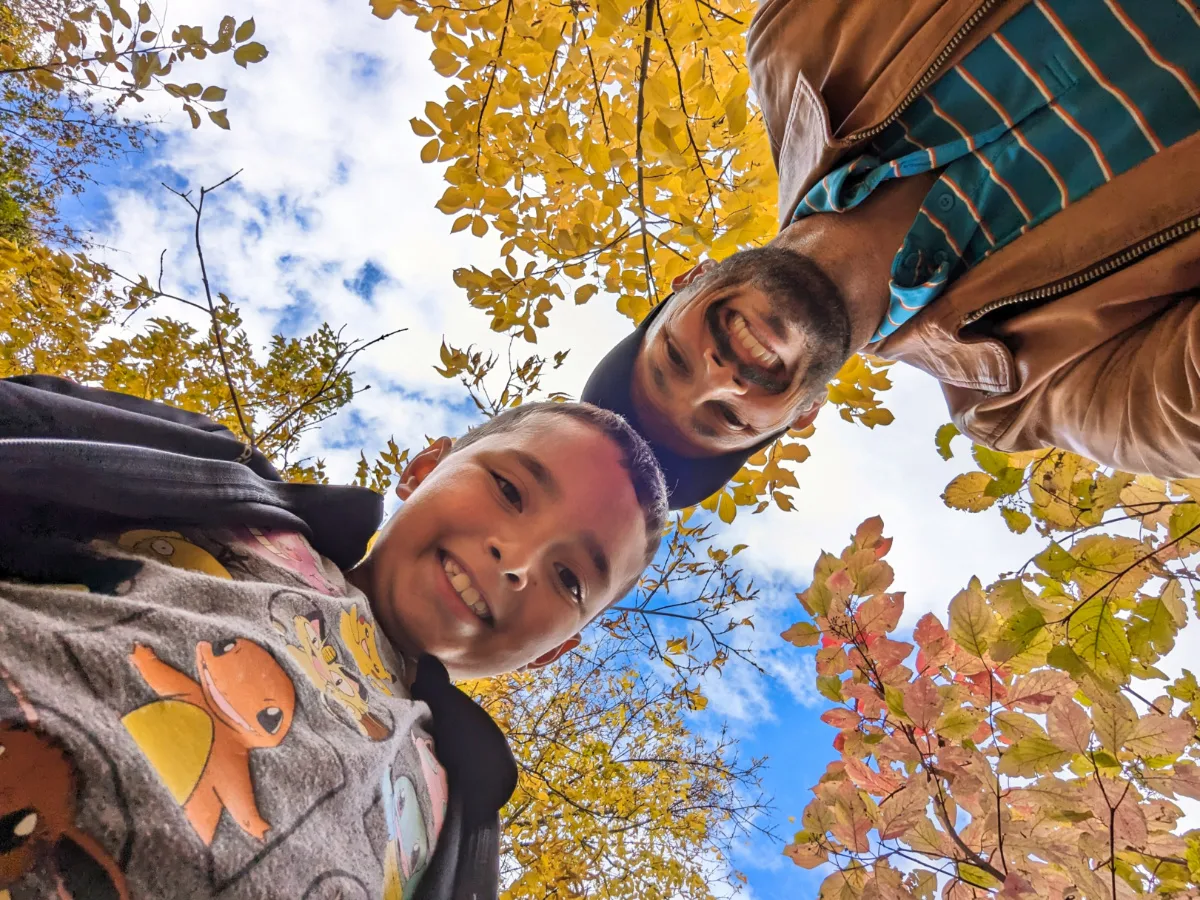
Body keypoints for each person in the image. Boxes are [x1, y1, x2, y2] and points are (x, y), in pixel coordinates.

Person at [0, 375, 667, 900]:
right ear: (423, 467)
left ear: (553, 650)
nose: (517, 559)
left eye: (570, 579)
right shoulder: (221, 489)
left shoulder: (448, 819)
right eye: (509, 489)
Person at [584, 0, 1200, 509]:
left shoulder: (798, 38)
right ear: (803, 415)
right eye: (727, 419)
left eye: (674, 359)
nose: (720, 376)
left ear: (695, 276)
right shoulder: (1028, 392)